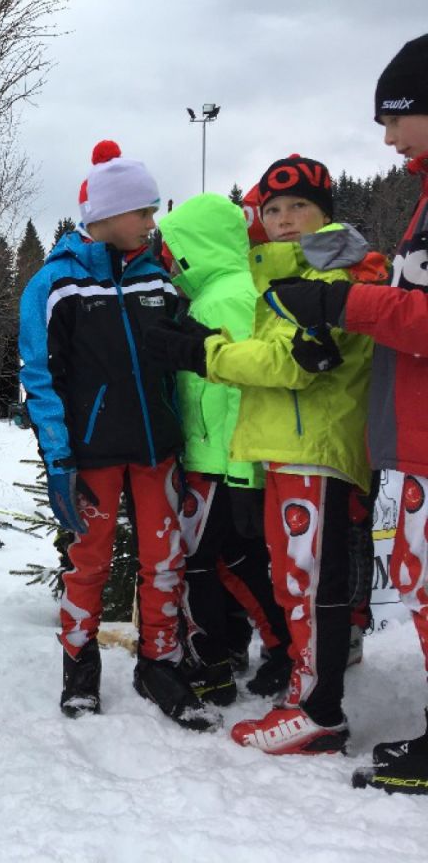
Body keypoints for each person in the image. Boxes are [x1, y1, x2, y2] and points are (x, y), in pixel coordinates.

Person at [149, 154, 381, 754]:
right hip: (283, 445)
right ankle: (305, 698)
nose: (283, 219)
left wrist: (204, 352)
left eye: (298, 207)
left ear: (324, 213)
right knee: (294, 581)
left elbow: (291, 364)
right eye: (273, 209)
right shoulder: (279, 278)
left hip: (315, 447)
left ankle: (318, 712)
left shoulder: (330, 274)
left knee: (311, 582)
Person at [267, 35, 428, 791]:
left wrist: (341, 305)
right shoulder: (422, 198)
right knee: (416, 581)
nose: (389, 139)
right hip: (401, 433)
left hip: (394, 437)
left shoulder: (360, 245)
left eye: (395, 119)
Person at [18, 141, 216, 730]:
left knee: (164, 560)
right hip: (91, 457)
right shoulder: (55, 285)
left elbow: (189, 355)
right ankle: (79, 667)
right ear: (106, 214)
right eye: (143, 212)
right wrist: (58, 460)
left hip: (158, 451)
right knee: (89, 563)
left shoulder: (160, 278)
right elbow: (39, 377)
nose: (152, 223)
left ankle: (160, 664)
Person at [153, 194, 292, 705]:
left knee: (204, 563)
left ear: (196, 247)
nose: (169, 263)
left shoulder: (224, 298)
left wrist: (239, 470)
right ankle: (274, 648)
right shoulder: (227, 289)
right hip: (219, 458)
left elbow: (240, 389)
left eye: (173, 252)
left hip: (220, 462)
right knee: (239, 560)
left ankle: (218, 660)